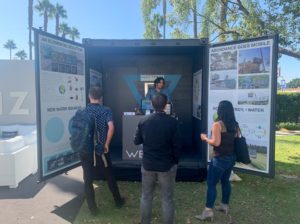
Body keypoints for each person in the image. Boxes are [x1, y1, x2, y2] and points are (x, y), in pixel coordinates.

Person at [134, 93, 181, 224]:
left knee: (146, 197)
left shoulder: (143, 121)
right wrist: (175, 162)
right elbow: (177, 145)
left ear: (152, 104)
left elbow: (136, 141)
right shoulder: (173, 122)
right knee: (167, 199)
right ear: (166, 105)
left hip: (148, 165)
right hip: (167, 166)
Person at [80, 86, 125, 216]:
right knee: (109, 176)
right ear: (101, 98)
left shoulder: (82, 111)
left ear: (89, 96)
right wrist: (106, 144)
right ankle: (118, 201)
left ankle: (93, 209)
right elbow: (111, 127)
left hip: (84, 150)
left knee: (87, 179)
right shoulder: (106, 110)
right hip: (100, 150)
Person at [195, 100, 238, 221]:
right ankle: (224, 205)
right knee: (225, 181)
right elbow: (235, 139)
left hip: (219, 159)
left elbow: (216, 142)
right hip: (231, 158)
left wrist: (205, 138)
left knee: (211, 184)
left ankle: (208, 211)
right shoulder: (235, 124)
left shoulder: (217, 125)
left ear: (220, 110)